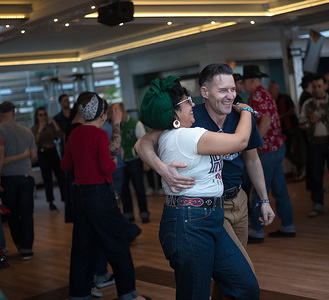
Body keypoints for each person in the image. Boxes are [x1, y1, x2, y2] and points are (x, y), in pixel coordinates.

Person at [135, 63, 274, 300]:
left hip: (214, 211)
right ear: (206, 92)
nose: (231, 95)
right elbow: (141, 143)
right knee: (196, 293)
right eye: (223, 90)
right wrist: (162, 169)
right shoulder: (189, 132)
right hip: (191, 219)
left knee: (242, 284)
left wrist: (264, 199)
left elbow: (250, 157)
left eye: (233, 89)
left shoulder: (187, 129)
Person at [60, 92, 149, 300]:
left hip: (80, 195)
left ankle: (79, 295)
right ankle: (129, 295)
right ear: (101, 115)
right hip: (100, 194)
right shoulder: (99, 135)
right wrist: (114, 163)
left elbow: (65, 165)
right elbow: (105, 167)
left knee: (81, 249)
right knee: (118, 245)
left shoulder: (74, 134)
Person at [242, 66, 295, 243]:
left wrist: (254, 142)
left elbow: (265, 119)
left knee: (259, 190)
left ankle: (256, 231)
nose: (243, 86)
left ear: (251, 81)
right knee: (279, 189)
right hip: (276, 148)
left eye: (244, 82)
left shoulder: (257, 95)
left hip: (267, 150)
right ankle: (288, 226)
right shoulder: (264, 93)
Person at [0, 101, 38, 260]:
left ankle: (19, 244)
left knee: (11, 213)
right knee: (27, 213)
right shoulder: (27, 131)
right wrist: (23, 160)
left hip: (8, 178)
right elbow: (33, 156)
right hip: (27, 176)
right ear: (14, 112)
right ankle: (27, 249)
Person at [299, 75, 329, 217]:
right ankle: (318, 204)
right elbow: (301, 122)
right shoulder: (308, 103)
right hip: (315, 144)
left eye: (319, 86)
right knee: (315, 175)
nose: (317, 89)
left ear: (326, 86)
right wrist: (310, 120)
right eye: (314, 86)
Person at [118, 103, 150, 223]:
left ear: (124, 111)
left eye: (118, 112)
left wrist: (145, 161)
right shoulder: (114, 125)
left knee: (139, 188)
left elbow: (143, 143)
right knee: (124, 190)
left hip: (134, 161)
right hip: (121, 163)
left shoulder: (136, 123)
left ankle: (144, 213)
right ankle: (128, 214)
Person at [269, 81, 305, 181]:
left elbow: (292, 110)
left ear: (277, 89)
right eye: (269, 88)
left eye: (272, 88)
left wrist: (281, 116)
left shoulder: (285, 98)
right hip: (282, 131)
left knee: (297, 150)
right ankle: (301, 167)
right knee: (287, 151)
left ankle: (301, 169)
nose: (270, 90)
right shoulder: (270, 100)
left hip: (293, 128)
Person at [31, 107, 66, 211]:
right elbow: (34, 142)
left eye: (44, 114)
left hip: (53, 152)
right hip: (42, 153)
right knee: (47, 179)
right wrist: (40, 130)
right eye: (40, 115)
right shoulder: (34, 128)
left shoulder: (50, 126)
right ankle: (50, 202)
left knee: (61, 176)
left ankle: (65, 198)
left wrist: (53, 122)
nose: (43, 117)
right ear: (37, 117)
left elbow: (61, 135)